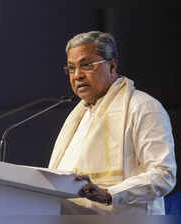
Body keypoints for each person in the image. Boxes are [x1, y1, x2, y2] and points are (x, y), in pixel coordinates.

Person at [48, 31, 177, 215]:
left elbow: (164, 175)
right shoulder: (77, 116)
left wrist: (110, 194)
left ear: (112, 66)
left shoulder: (143, 107)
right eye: (71, 68)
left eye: (86, 65)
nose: (77, 75)